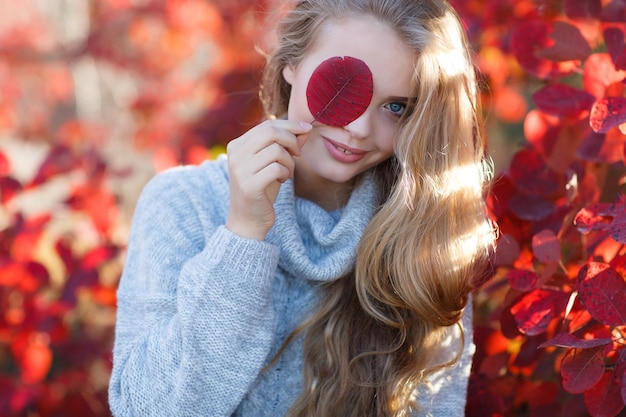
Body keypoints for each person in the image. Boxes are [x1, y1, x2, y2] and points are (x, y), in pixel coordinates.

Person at [108, 0, 496, 416]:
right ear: (291, 64)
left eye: (396, 107)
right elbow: (145, 409)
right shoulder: (184, 203)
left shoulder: (425, 236)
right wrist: (242, 235)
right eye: (344, 85)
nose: (360, 129)